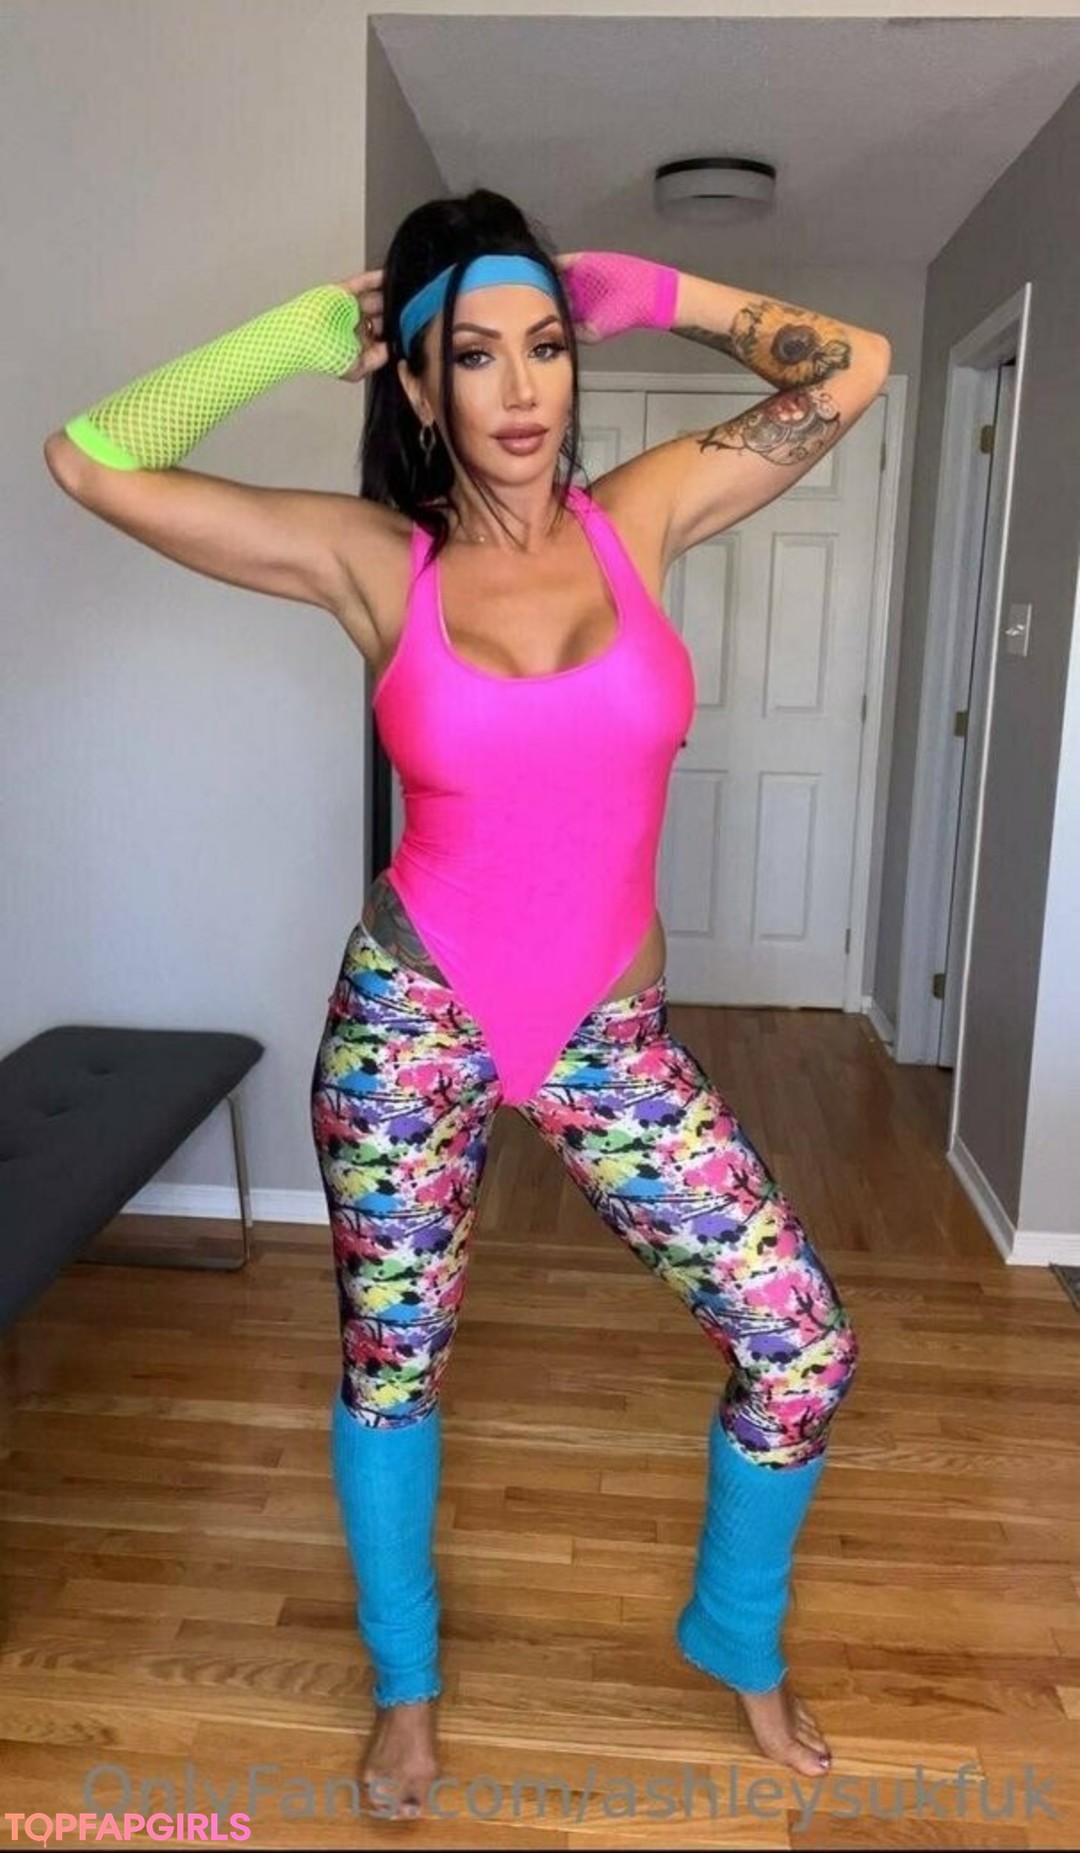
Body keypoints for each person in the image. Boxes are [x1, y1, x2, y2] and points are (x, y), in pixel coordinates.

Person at [45, 186, 889, 1823]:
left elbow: (855, 365)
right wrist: (300, 334)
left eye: (548, 345)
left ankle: (735, 1632)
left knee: (800, 1342)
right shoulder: (376, 559)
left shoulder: (647, 512)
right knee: (395, 1365)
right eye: (476, 353)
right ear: (421, 386)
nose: (521, 388)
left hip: (608, 1039)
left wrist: (658, 288)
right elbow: (90, 461)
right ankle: (405, 1689)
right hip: (410, 1029)